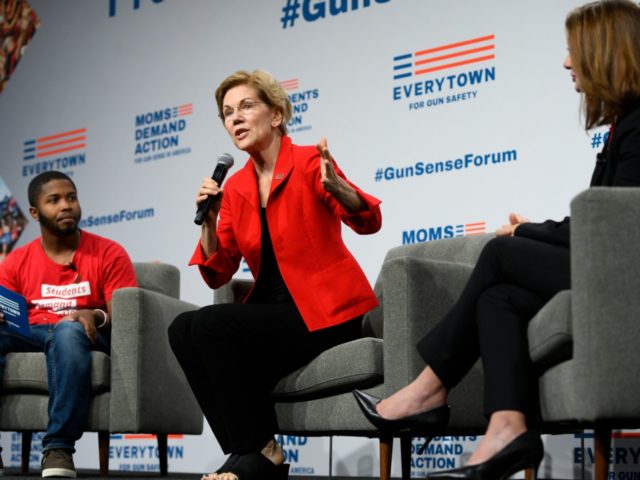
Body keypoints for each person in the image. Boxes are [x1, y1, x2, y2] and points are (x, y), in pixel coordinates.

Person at [353, 1, 640, 479]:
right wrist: (531, 231)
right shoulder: (622, 128)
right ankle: (508, 427)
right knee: (500, 297)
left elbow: (617, 234)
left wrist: (523, 233)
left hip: (627, 277)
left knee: (501, 252)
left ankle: (428, 389)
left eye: (574, 51)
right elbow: (600, 229)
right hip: (612, 267)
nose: (567, 63)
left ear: (604, 52)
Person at [168, 69, 382, 480]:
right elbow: (218, 273)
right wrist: (208, 223)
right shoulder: (234, 188)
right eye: (227, 113)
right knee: (182, 328)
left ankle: (260, 454)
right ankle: (246, 452)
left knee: (213, 323)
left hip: (328, 312)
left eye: (247, 106)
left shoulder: (306, 163)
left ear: (277, 114)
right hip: (276, 318)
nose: (236, 118)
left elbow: (368, 221)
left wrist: (339, 189)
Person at [0, 171, 137, 478]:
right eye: (54, 200)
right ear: (34, 212)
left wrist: (94, 314)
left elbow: (124, 317)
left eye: (71, 198)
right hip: (33, 331)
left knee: (67, 330)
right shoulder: (16, 261)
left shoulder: (108, 252)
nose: (66, 206)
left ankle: (58, 448)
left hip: (84, 333)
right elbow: (7, 309)